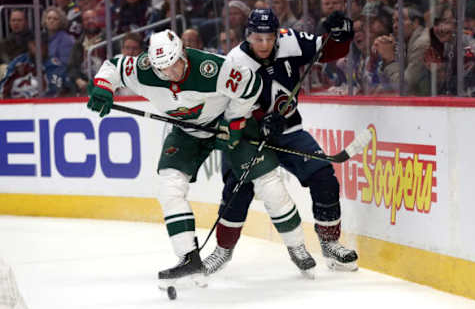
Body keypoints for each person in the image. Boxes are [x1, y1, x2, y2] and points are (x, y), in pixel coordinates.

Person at [87, 29, 313, 279]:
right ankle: (188, 257)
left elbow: (251, 86)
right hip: (186, 132)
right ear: (152, 63)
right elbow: (114, 66)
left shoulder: (212, 68)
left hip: (224, 123)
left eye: (175, 65)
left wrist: (236, 119)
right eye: (163, 70)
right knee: (169, 185)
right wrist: (103, 88)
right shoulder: (143, 69)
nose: (171, 74)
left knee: (269, 184)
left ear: (183, 53)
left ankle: (297, 246)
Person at [202, 8, 358, 275]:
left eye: (269, 38)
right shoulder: (235, 63)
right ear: (248, 35)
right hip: (248, 138)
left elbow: (327, 50)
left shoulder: (290, 40)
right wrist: (257, 120)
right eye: (258, 39)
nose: (264, 44)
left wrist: (341, 36)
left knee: (323, 175)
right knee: (238, 190)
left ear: (276, 34)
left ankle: (330, 243)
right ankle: (223, 250)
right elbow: (227, 113)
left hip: (289, 130)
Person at [0, 33, 72, 98]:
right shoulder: (18, 62)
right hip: (17, 105)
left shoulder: (54, 65)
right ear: (29, 45)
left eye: (42, 45)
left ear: (47, 46)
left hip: (45, 106)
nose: (39, 48)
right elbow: (3, 86)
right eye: (35, 44)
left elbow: (57, 91)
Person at [67, 9, 106, 95]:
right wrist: (78, 80)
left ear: (98, 19)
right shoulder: (79, 43)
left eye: (93, 18)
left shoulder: (108, 38)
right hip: (85, 85)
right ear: (82, 23)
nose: (90, 21)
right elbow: (72, 66)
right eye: (86, 19)